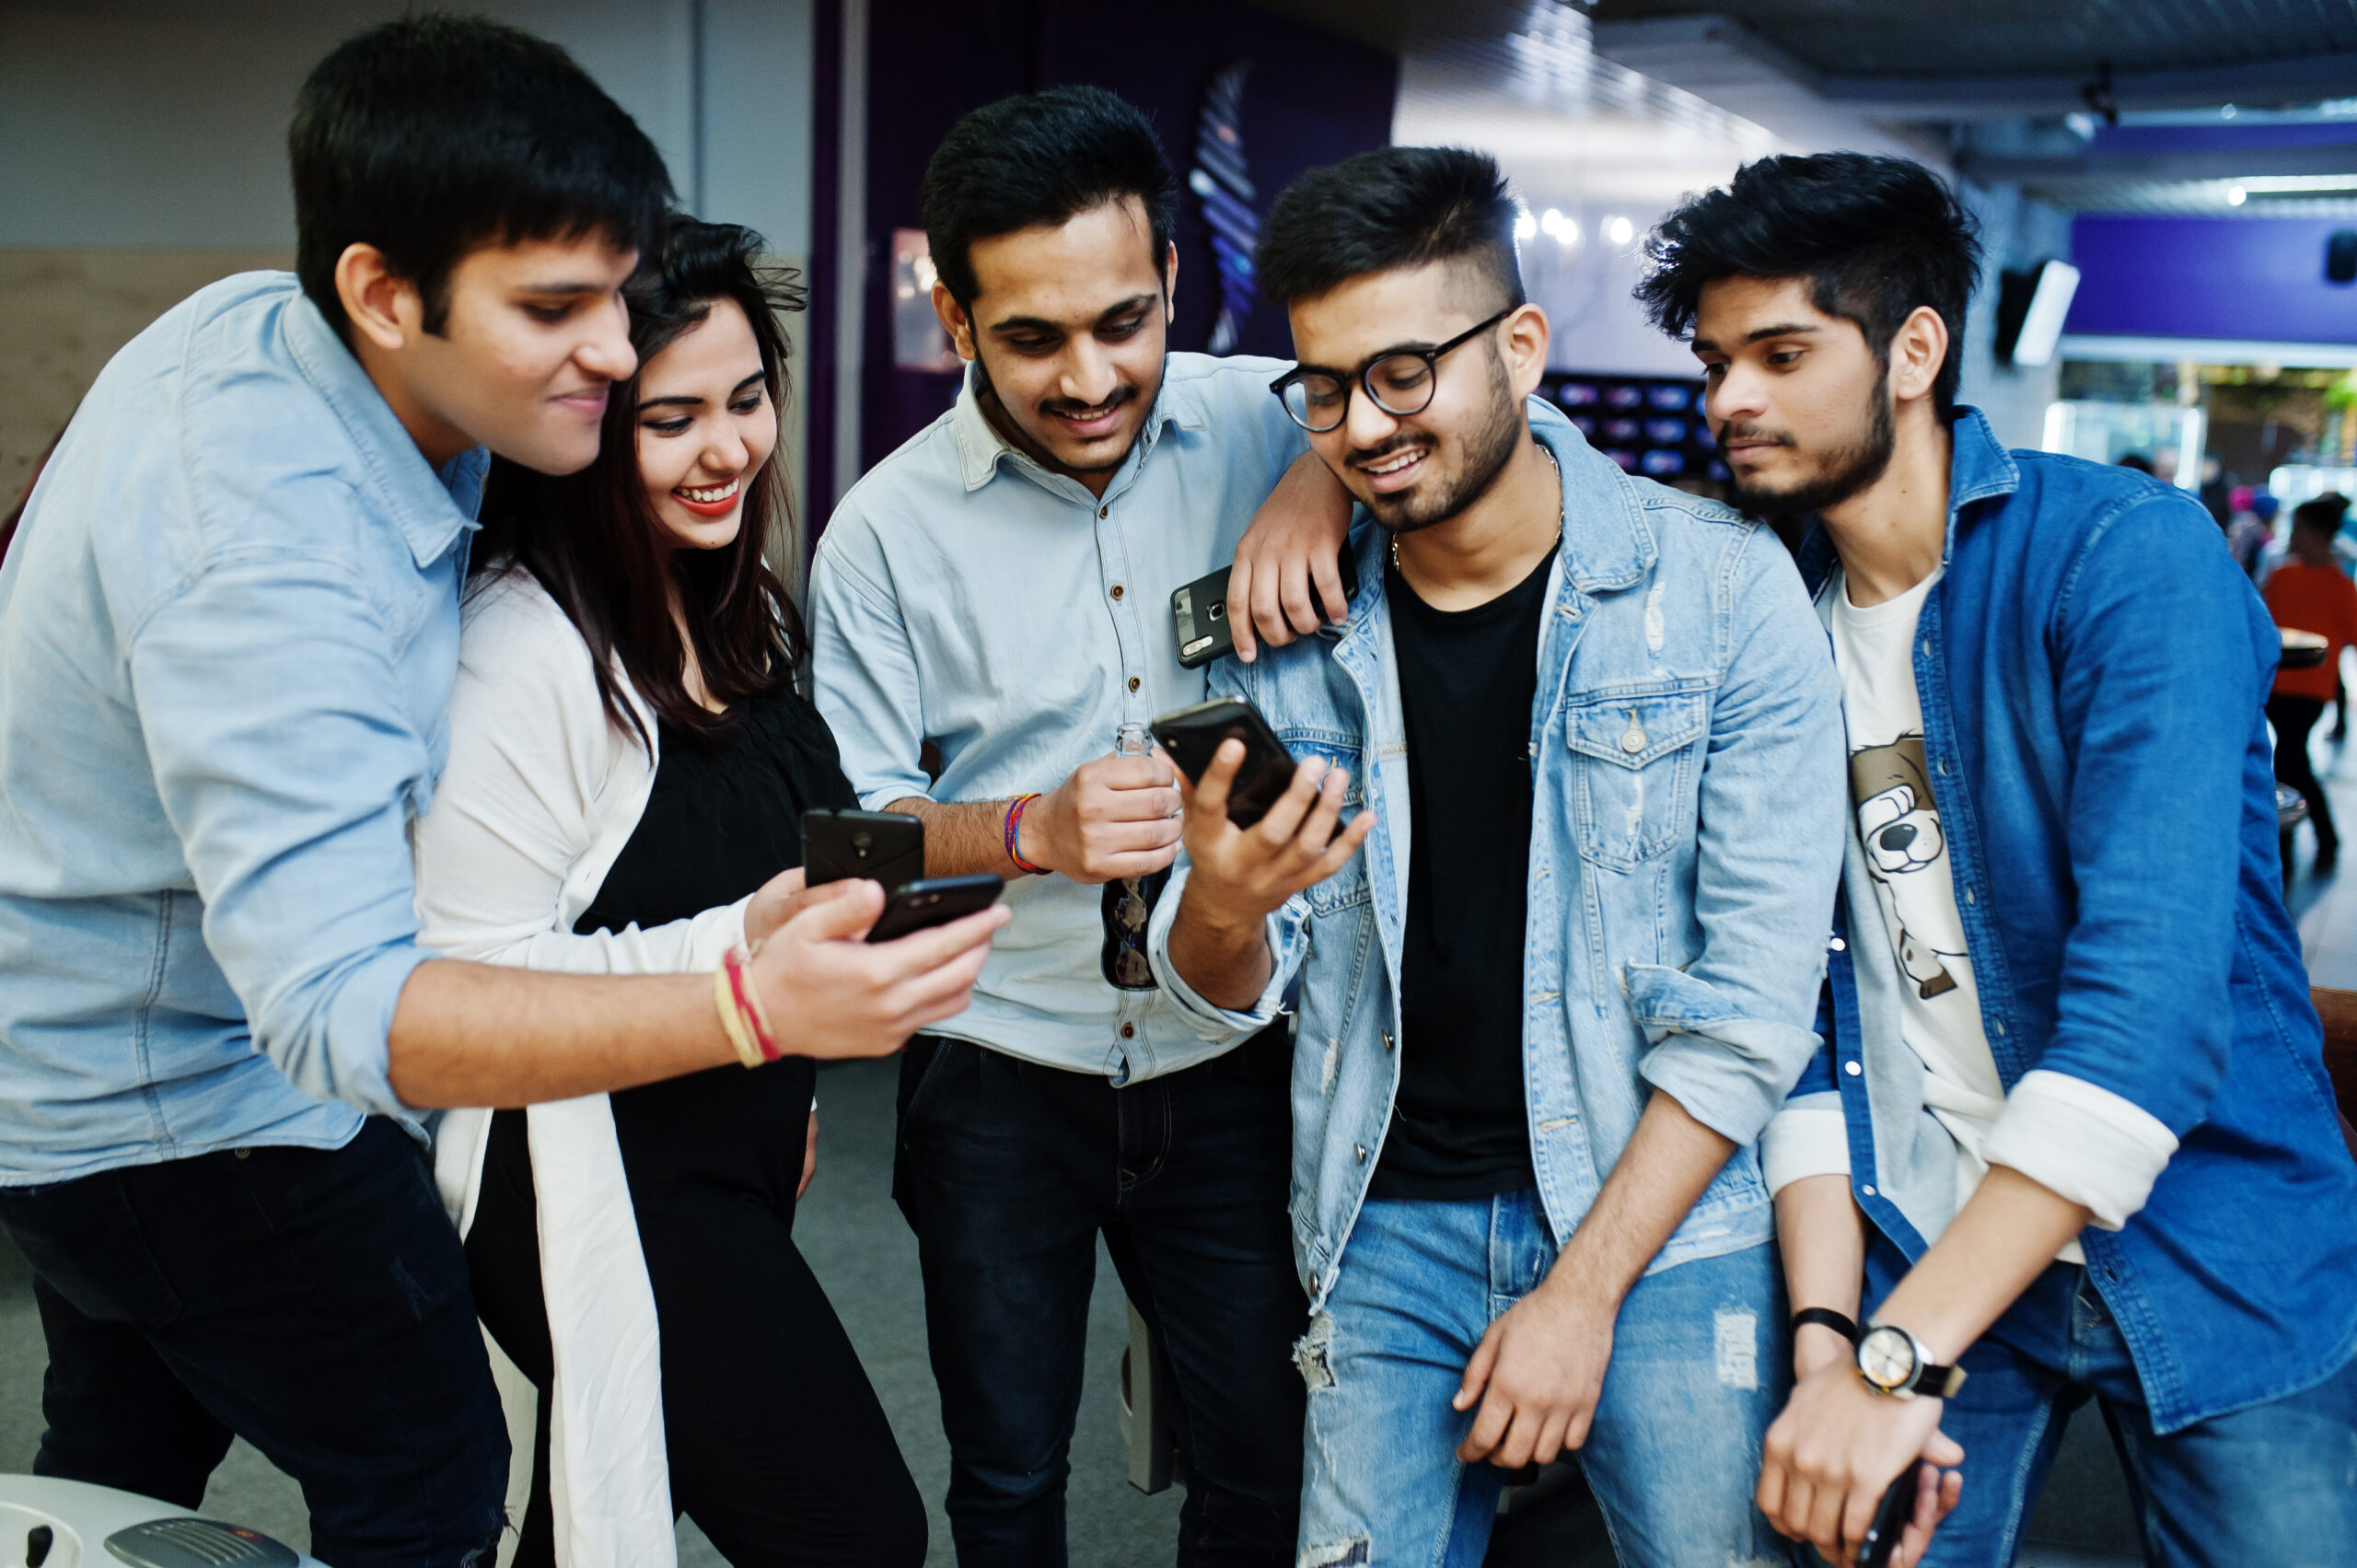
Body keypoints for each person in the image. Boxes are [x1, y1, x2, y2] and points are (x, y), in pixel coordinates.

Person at [0, 18, 1000, 1564]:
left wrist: (1026, 832)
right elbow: (349, 1007)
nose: (617, 354)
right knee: (433, 1469)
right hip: (183, 1106)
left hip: (125, 1052)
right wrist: (748, 1009)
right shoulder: (313, 580)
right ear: (384, 295)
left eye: (626, 299)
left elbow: (777, 827)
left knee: (120, 1459)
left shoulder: (356, 378)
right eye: (562, 313)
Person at [1639, 151, 2357, 1568]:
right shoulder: (1755, 614)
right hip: (1924, 1232)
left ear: (1916, 349)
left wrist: (1891, 1364)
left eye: (1782, 353)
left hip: (2217, 1242)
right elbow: (1800, 1017)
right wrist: (1832, 1343)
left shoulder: (2121, 560)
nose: (1731, 398)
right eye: (1718, 359)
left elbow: (2143, 1024)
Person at [1151, 145, 1847, 1568]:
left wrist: (1582, 1291)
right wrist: (1220, 902)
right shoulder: (1285, 633)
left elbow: (1756, 1005)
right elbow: (1223, 980)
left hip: (1657, 1221)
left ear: (1520, 347)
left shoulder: (1718, 589)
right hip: (1377, 1221)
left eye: (1404, 372)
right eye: (1326, 389)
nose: (1362, 425)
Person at [807, 86, 1353, 1566]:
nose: (1091, 374)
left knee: (1262, 1458)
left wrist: (1321, 466)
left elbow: (1506, 414)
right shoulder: (885, 530)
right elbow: (842, 843)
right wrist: (1023, 827)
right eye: (1033, 337)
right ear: (955, 312)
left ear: (1174, 279)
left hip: (1239, 1056)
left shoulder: (1273, 420)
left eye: (1125, 320)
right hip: (1001, 1069)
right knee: (1005, 1474)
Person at [413, 217, 928, 1568]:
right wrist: (752, 1019)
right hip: (596, 1173)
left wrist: (791, 1084)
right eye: (672, 419)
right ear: (586, 427)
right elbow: (462, 992)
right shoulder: (523, 651)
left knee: (569, 1516)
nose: (727, 450)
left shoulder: (733, 603)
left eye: (749, 400)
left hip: (731, 1141)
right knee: (854, 1528)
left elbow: (784, 862)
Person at [2265, 494, 2357, 875]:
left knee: (2289, 760)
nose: (2293, 535)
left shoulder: (2340, 587)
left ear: (2320, 534)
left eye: (2300, 528)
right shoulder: (2283, 576)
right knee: (2291, 761)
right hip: (2273, 686)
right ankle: (2309, 840)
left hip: (2308, 691)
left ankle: (2291, 847)